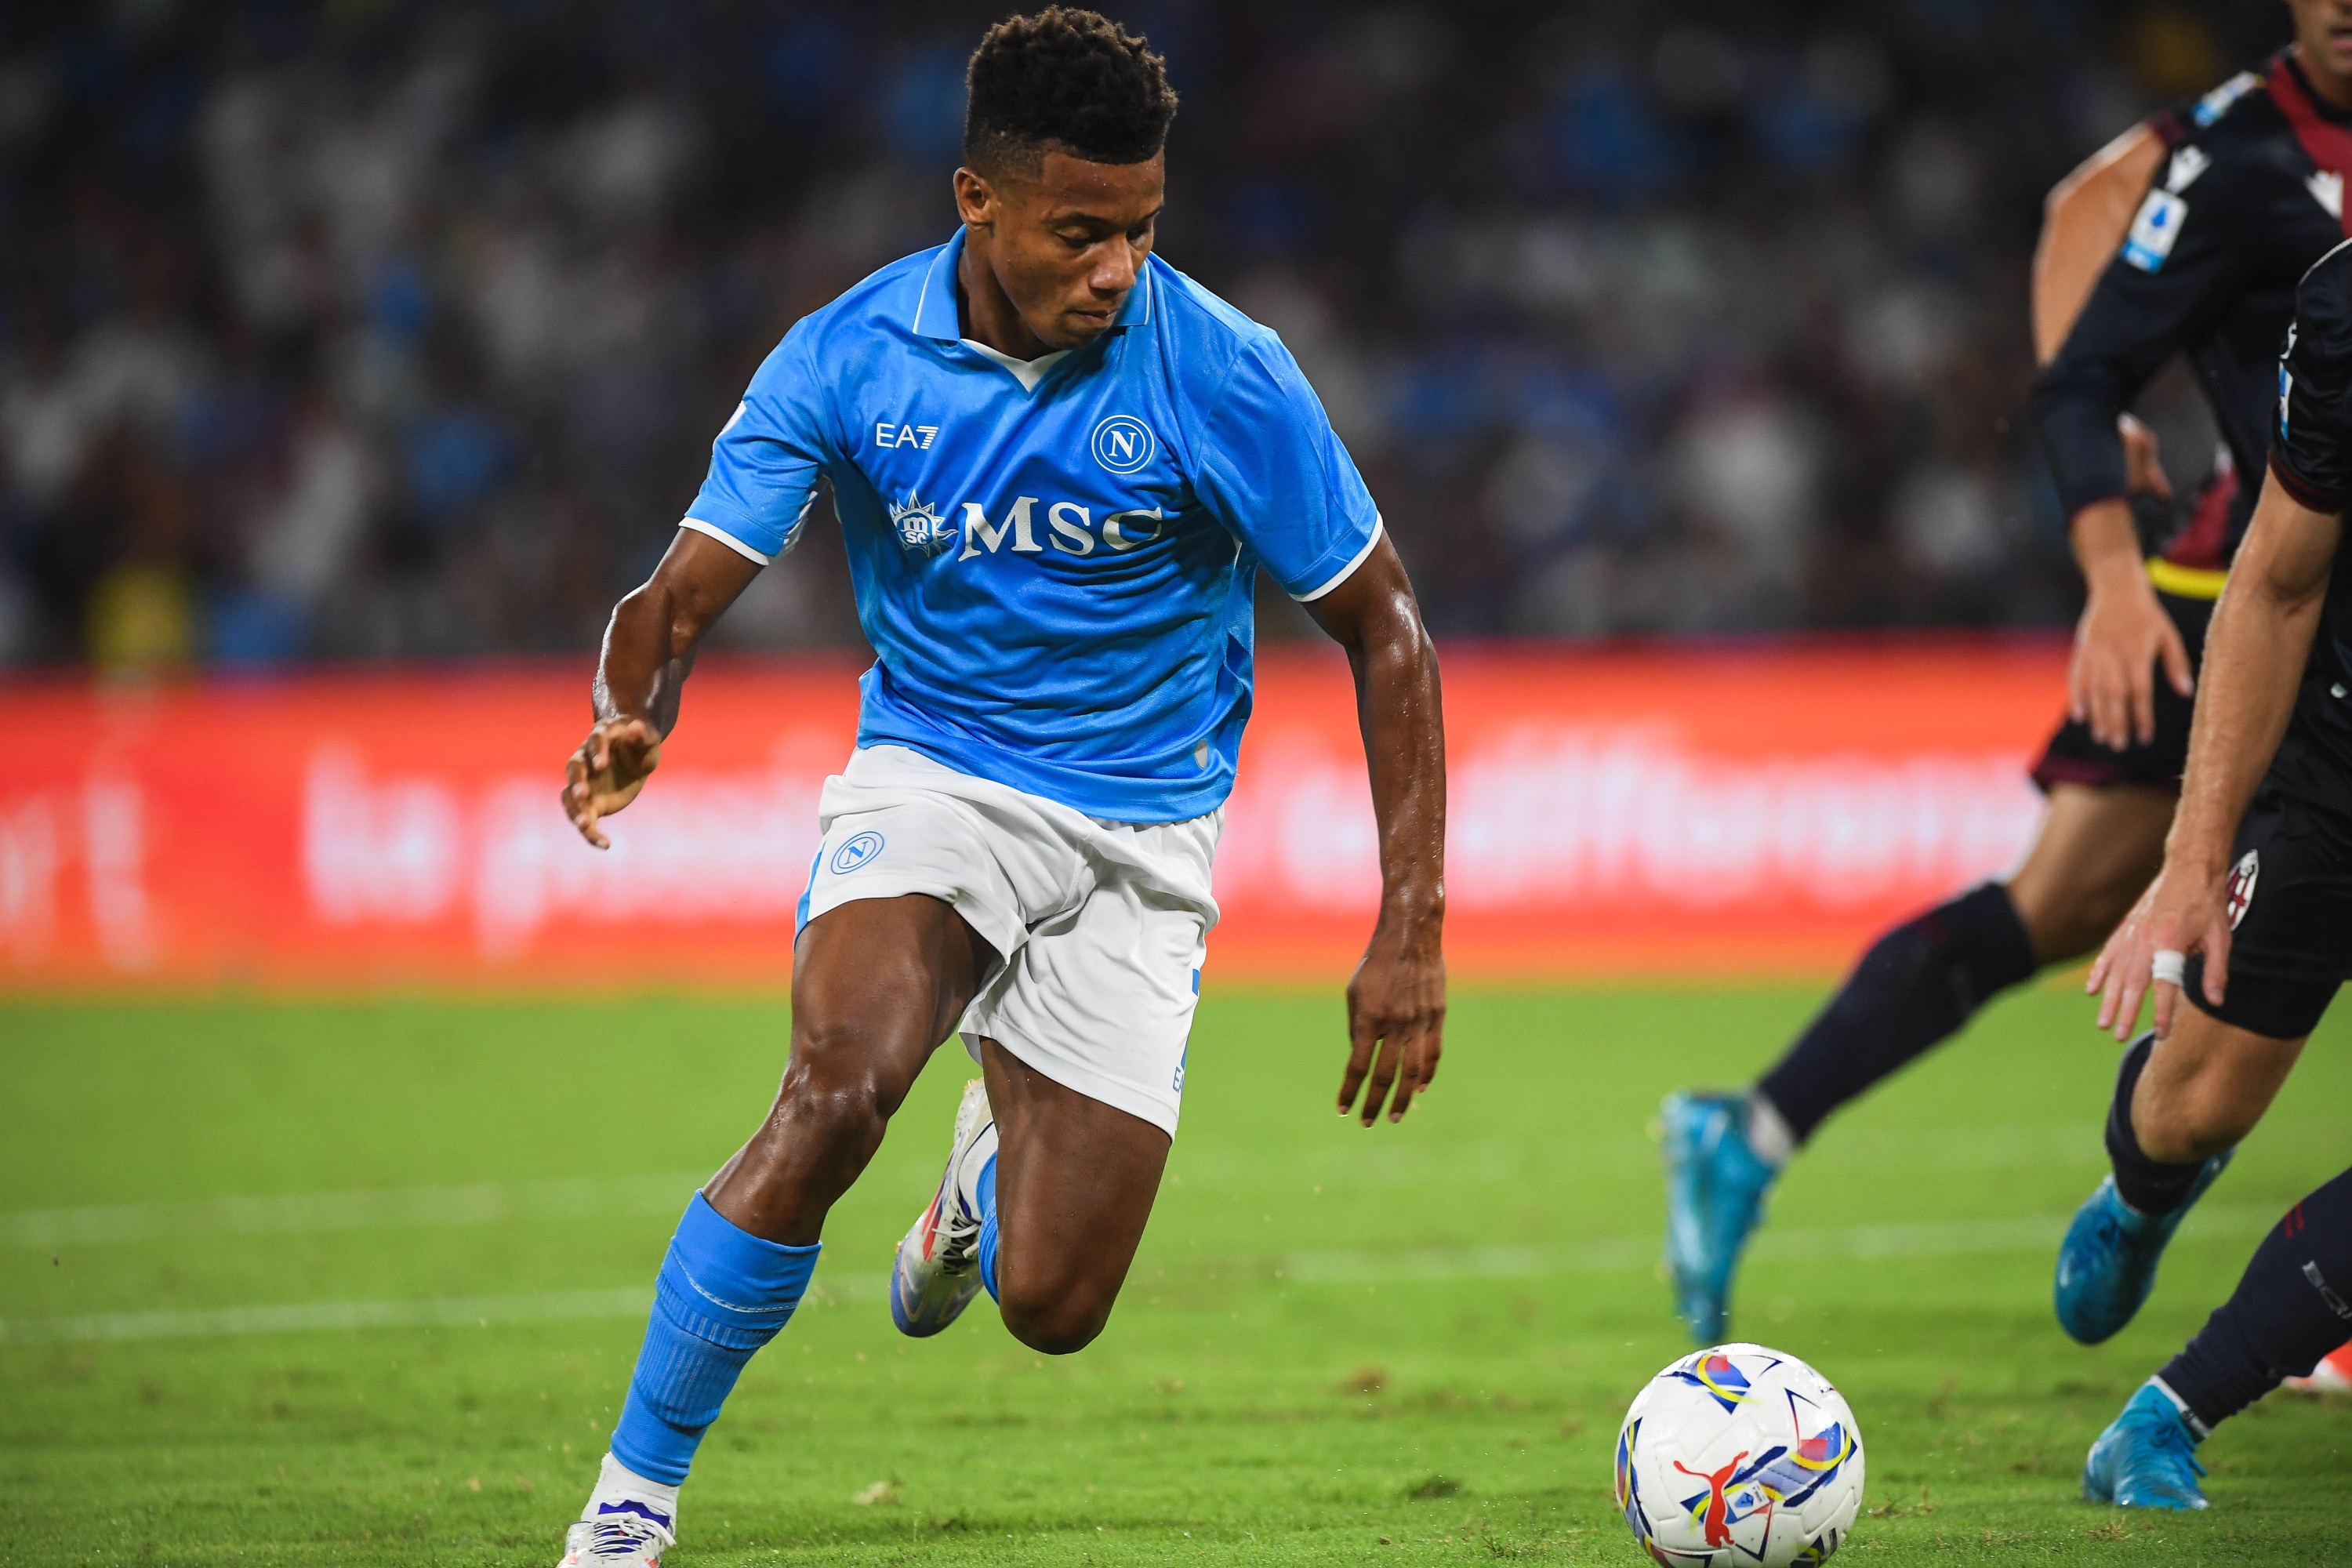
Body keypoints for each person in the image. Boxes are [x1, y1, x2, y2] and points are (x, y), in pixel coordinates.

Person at [548, 13, 1447, 1564]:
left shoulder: (1223, 370)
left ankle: (980, 1177)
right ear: (980, 202)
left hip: (1144, 832)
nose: (1119, 267)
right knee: (833, 1095)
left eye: (1144, 228)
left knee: (1052, 1307)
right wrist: (633, 710)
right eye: (1081, 231)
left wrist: (1411, 922)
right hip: (936, 777)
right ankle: (632, 1500)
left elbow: (1389, 630)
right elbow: (674, 595)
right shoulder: (846, 356)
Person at [1655, 2, 2352, 1347]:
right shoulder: (2237, 149)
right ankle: (1754, 1126)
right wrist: (2108, 578)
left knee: (2126, 923)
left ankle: (1754, 1125)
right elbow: (2082, 262)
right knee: (2077, 908)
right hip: (2248, 593)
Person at [2070, 232, 2352, 1510]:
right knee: (2197, 1107)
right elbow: (2278, 586)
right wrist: (2192, 863)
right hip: (2341, 768)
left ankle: (2166, 1415)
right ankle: (2146, 1182)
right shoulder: (2347, 307)